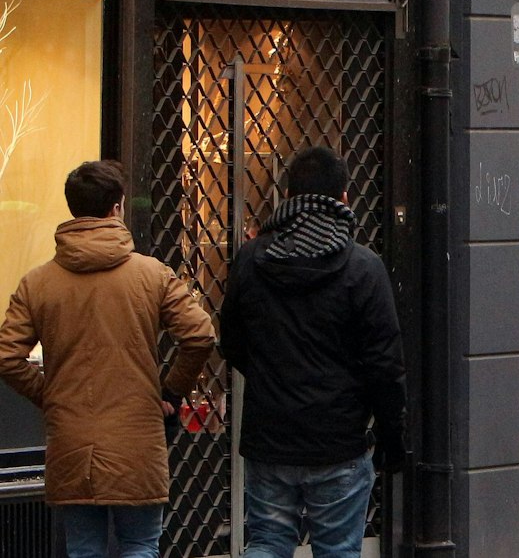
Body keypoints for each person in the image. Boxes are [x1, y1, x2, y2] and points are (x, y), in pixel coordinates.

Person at [0, 160, 215, 558]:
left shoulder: (38, 283)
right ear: (117, 207)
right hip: (138, 437)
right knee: (139, 545)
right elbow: (199, 335)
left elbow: (7, 357)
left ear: (72, 209)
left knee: (84, 549)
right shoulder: (152, 275)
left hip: (71, 439)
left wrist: (50, 395)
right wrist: (171, 390)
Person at [220, 146, 406, 558]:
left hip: (269, 434)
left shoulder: (252, 259)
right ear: (344, 199)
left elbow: (230, 340)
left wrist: (272, 378)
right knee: (338, 550)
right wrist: (391, 435)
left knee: (267, 541)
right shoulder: (363, 267)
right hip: (338, 439)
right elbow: (385, 364)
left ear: (287, 198)